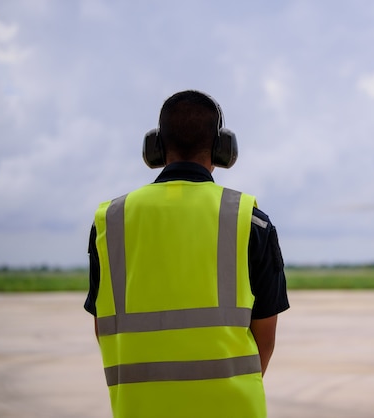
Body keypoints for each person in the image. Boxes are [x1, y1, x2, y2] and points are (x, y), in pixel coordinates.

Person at [84, 90, 289, 418]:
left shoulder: (111, 222)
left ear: (155, 148)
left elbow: (102, 326)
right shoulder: (251, 222)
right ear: (224, 149)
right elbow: (265, 337)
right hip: (232, 409)